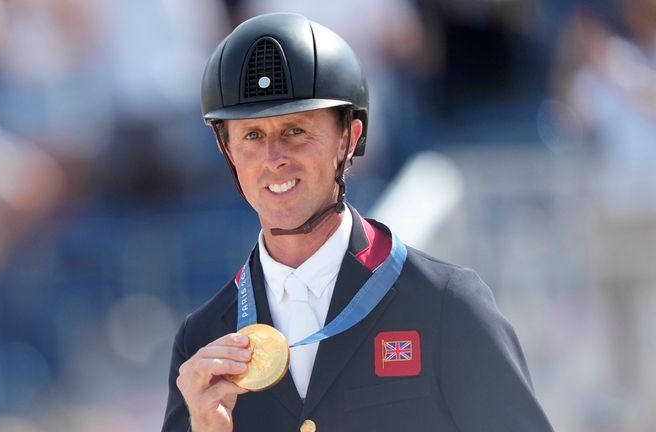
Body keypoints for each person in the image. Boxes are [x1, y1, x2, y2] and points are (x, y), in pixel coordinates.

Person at [162, 12, 554, 432]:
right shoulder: (202, 342)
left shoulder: (447, 305)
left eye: (295, 130)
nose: (274, 159)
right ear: (228, 152)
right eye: (252, 136)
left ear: (347, 138)